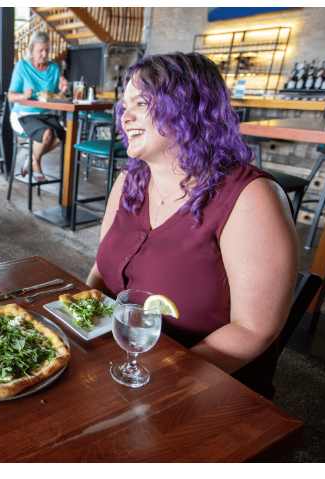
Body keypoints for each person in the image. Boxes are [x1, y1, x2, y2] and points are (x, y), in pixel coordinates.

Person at [87, 52, 299, 398]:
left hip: (205, 388)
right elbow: (101, 270)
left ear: (188, 107)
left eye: (141, 102)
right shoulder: (129, 181)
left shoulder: (251, 198)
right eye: (124, 106)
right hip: (123, 367)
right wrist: (81, 327)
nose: (125, 116)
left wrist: (161, 378)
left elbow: (252, 330)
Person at [8, 31, 68, 182]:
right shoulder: (22, 66)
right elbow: (10, 96)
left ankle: (31, 158)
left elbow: (52, 96)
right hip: (22, 114)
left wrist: (62, 90)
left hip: (44, 115)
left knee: (63, 135)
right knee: (47, 134)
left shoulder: (54, 67)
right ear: (32, 50)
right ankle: (36, 164)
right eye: (40, 50)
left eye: (47, 50)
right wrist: (22, 96)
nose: (44, 54)